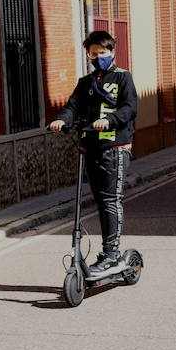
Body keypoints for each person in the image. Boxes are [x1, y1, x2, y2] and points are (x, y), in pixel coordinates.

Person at [48, 30, 138, 275]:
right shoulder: (85, 82)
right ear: (88, 55)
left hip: (115, 148)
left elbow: (130, 108)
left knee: (110, 200)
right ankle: (106, 252)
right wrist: (61, 120)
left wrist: (110, 120)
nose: (98, 57)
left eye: (103, 53)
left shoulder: (123, 78)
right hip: (90, 147)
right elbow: (72, 107)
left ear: (112, 52)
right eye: (93, 54)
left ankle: (111, 254)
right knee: (100, 200)